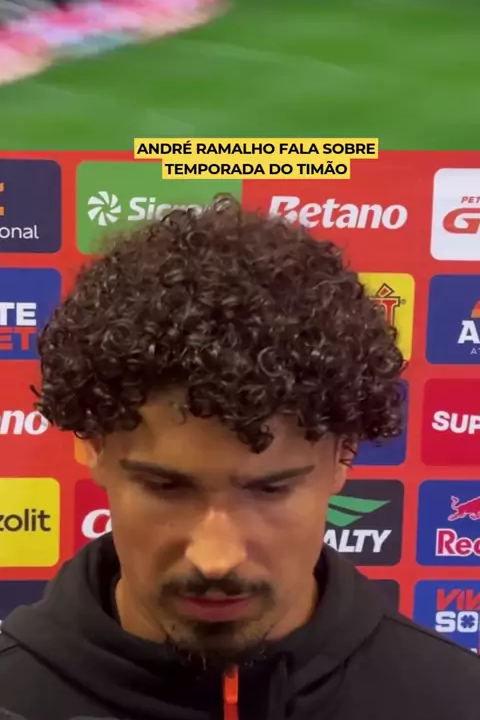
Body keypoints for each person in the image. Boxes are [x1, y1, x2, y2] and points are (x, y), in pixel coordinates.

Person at [0, 195, 478, 720]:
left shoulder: (457, 700)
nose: (216, 558)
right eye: (166, 487)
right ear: (92, 444)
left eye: (271, 489)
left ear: (344, 454)